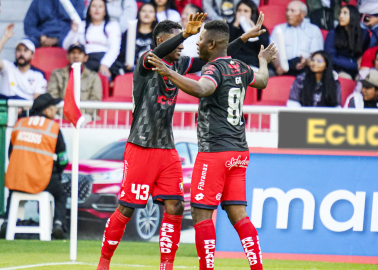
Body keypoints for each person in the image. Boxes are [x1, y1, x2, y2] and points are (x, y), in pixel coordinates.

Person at [96, 14, 266, 270]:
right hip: (141, 147)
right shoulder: (147, 62)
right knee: (127, 208)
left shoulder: (179, 65)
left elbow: (215, 56)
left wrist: (242, 38)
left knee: (175, 206)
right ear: (162, 41)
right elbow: (179, 52)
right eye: (177, 41)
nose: (182, 46)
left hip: (167, 150)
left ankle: (166, 266)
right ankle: (103, 262)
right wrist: (186, 33)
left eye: (184, 40)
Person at [148, 19, 277, 270]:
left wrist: (169, 72)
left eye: (200, 40)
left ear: (211, 43)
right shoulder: (240, 66)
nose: (196, 44)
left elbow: (202, 88)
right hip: (239, 153)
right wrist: (263, 61)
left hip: (215, 152)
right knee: (238, 214)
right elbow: (261, 81)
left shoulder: (213, 69)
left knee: (201, 214)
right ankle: (257, 266)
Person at [0, 93, 68, 240]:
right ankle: (58, 224)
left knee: (13, 194)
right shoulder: (53, 127)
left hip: (18, 179)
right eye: (54, 107)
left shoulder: (19, 124)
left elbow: (11, 154)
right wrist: (58, 171)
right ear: (47, 110)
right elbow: (63, 158)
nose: (56, 110)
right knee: (61, 194)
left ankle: (6, 222)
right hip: (42, 180)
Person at [63, 0, 122, 79]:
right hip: (86, 61)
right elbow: (66, 46)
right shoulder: (81, 25)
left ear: (105, 11)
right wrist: (73, 32)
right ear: (89, 10)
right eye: (94, 6)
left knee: (105, 77)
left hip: (105, 60)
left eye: (100, 7)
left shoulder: (113, 25)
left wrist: (105, 64)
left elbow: (114, 49)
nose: (97, 9)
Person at [48, 44, 102, 121]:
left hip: (84, 115)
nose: (76, 56)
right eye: (73, 53)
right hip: (60, 114)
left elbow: (95, 101)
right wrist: (66, 112)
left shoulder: (93, 77)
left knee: (86, 120)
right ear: (68, 56)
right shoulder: (57, 74)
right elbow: (52, 97)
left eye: (79, 53)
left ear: (85, 58)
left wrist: (76, 112)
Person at [270, 0, 324, 77]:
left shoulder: (313, 30)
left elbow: (316, 53)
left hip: (305, 67)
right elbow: (273, 52)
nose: (288, 14)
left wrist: (306, 61)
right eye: (287, 10)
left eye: (292, 11)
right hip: (282, 66)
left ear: (302, 14)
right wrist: (278, 66)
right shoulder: (278, 29)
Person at [0, 25, 47, 101]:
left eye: (25, 51)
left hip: (27, 111)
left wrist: (23, 109)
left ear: (32, 55)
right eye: (19, 50)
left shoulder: (38, 74)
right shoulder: (8, 67)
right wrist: (5, 37)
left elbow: (37, 100)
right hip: (6, 109)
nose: (21, 54)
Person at [325, 5, 370, 79]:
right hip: (338, 68)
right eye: (340, 13)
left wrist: (361, 61)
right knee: (346, 77)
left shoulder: (364, 34)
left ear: (353, 16)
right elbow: (331, 57)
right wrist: (354, 65)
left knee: (364, 79)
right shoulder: (333, 33)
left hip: (357, 70)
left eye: (345, 13)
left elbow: (365, 53)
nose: (340, 16)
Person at [117, 3, 158, 73]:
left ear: (155, 17)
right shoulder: (129, 32)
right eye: (143, 11)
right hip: (131, 70)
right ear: (138, 14)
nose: (147, 13)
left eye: (151, 11)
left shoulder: (158, 35)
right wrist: (126, 64)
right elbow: (122, 53)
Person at [229, 0, 269, 69]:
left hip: (253, 64)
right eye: (239, 10)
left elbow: (263, 47)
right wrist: (235, 26)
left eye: (246, 11)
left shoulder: (262, 28)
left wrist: (254, 28)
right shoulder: (230, 27)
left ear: (252, 13)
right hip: (235, 64)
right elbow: (227, 46)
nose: (242, 14)